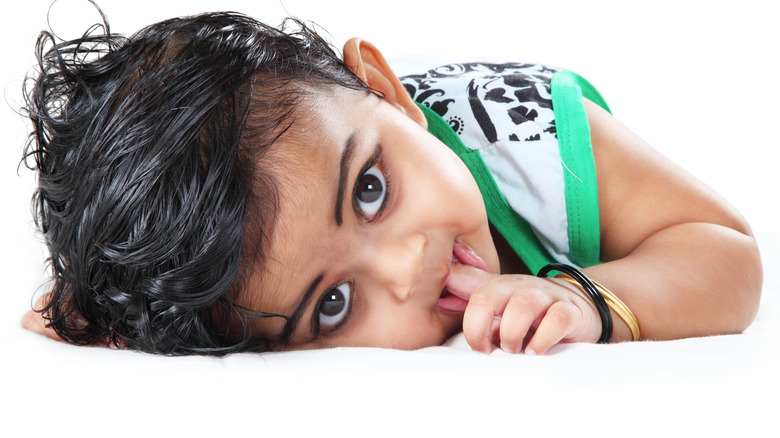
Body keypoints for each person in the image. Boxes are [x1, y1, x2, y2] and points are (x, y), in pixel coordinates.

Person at [21, 11, 762, 356]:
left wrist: (583, 300)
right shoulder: (238, 292)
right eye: (335, 304)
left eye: (372, 190)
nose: (409, 267)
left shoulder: (537, 137)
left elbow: (727, 251)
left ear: (386, 91)